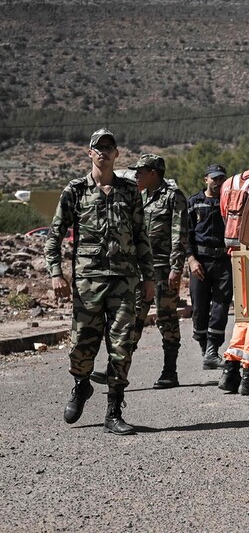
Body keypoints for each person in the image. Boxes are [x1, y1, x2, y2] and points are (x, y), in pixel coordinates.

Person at [45, 128, 155, 435]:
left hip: (124, 282)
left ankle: (114, 411)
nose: (104, 152)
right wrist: (56, 273)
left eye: (109, 147)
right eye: (98, 147)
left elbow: (140, 236)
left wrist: (149, 278)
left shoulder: (129, 191)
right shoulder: (76, 191)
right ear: (90, 153)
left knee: (122, 347)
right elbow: (54, 237)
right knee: (81, 346)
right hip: (88, 283)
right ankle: (81, 386)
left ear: (117, 154)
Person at [129, 154, 188, 388]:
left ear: (153, 173)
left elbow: (179, 233)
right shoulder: (141, 198)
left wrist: (176, 268)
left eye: (140, 171)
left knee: (167, 319)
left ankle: (169, 371)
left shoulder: (173, 197)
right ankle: (118, 369)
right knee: (133, 318)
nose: (136, 175)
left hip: (164, 269)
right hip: (142, 270)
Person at [218, 144, 249, 396]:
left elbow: (224, 215)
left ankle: (231, 370)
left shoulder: (229, 183)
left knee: (244, 313)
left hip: (235, 253)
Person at [187, 163, 232, 370]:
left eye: (221, 178)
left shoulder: (229, 202)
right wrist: (191, 259)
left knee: (221, 305)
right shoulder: (194, 203)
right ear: (205, 179)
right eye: (214, 178)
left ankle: (213, 349)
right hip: (200, 262)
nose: (218, 182)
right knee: (199, 307)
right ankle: (205, 348)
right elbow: (184, 235)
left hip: (223, 260)